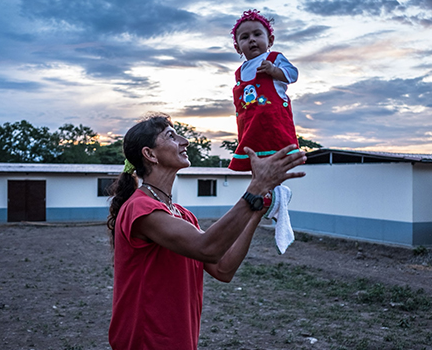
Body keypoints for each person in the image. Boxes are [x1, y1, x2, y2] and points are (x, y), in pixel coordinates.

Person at [106, 113, 306, 350]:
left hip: (180, 340)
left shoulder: (182, 214)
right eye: (172, 136)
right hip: (146, 341)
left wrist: (257, 209)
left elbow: (223, 268)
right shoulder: (139, 208)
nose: (185, 141)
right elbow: (207, 247)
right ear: (150, 154)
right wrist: (255, 188)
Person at [229, 9, 300, 172]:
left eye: (257, 34)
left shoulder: (274, 58)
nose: (252, 40)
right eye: (245, 37)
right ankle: (264, 195)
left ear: (270, 40)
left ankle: (277, 192)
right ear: (238, 48)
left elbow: (293, 74)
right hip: (250, 129)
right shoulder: (239, 72)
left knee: (276, 163)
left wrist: (274, 71)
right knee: (256, 165)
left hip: (273, 125)